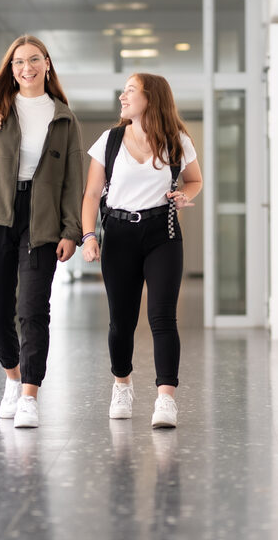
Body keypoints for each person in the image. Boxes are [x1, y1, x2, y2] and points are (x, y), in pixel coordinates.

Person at [0, 35, 84, 429]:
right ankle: (11, 377)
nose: (25, 68)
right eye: (17, 62)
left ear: (47, 64)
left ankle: (29, 395)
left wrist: (72, 231)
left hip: (41, 220)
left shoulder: (63, 118)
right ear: (11, 69)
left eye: (33, 60)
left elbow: (73, 181)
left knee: (32, 310)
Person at [80, 73, 203, 428]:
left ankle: (166, 399)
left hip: (162, 232)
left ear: (151, 98)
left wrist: (185, 195)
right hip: (118, 233)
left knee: (163, 317)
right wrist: (90, 236)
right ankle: (122, 384)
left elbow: (194, 180)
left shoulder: (177, 140)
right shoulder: (110, 140)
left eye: (130, 91)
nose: (123, 96)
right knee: (122, 321)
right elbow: (91, 195)